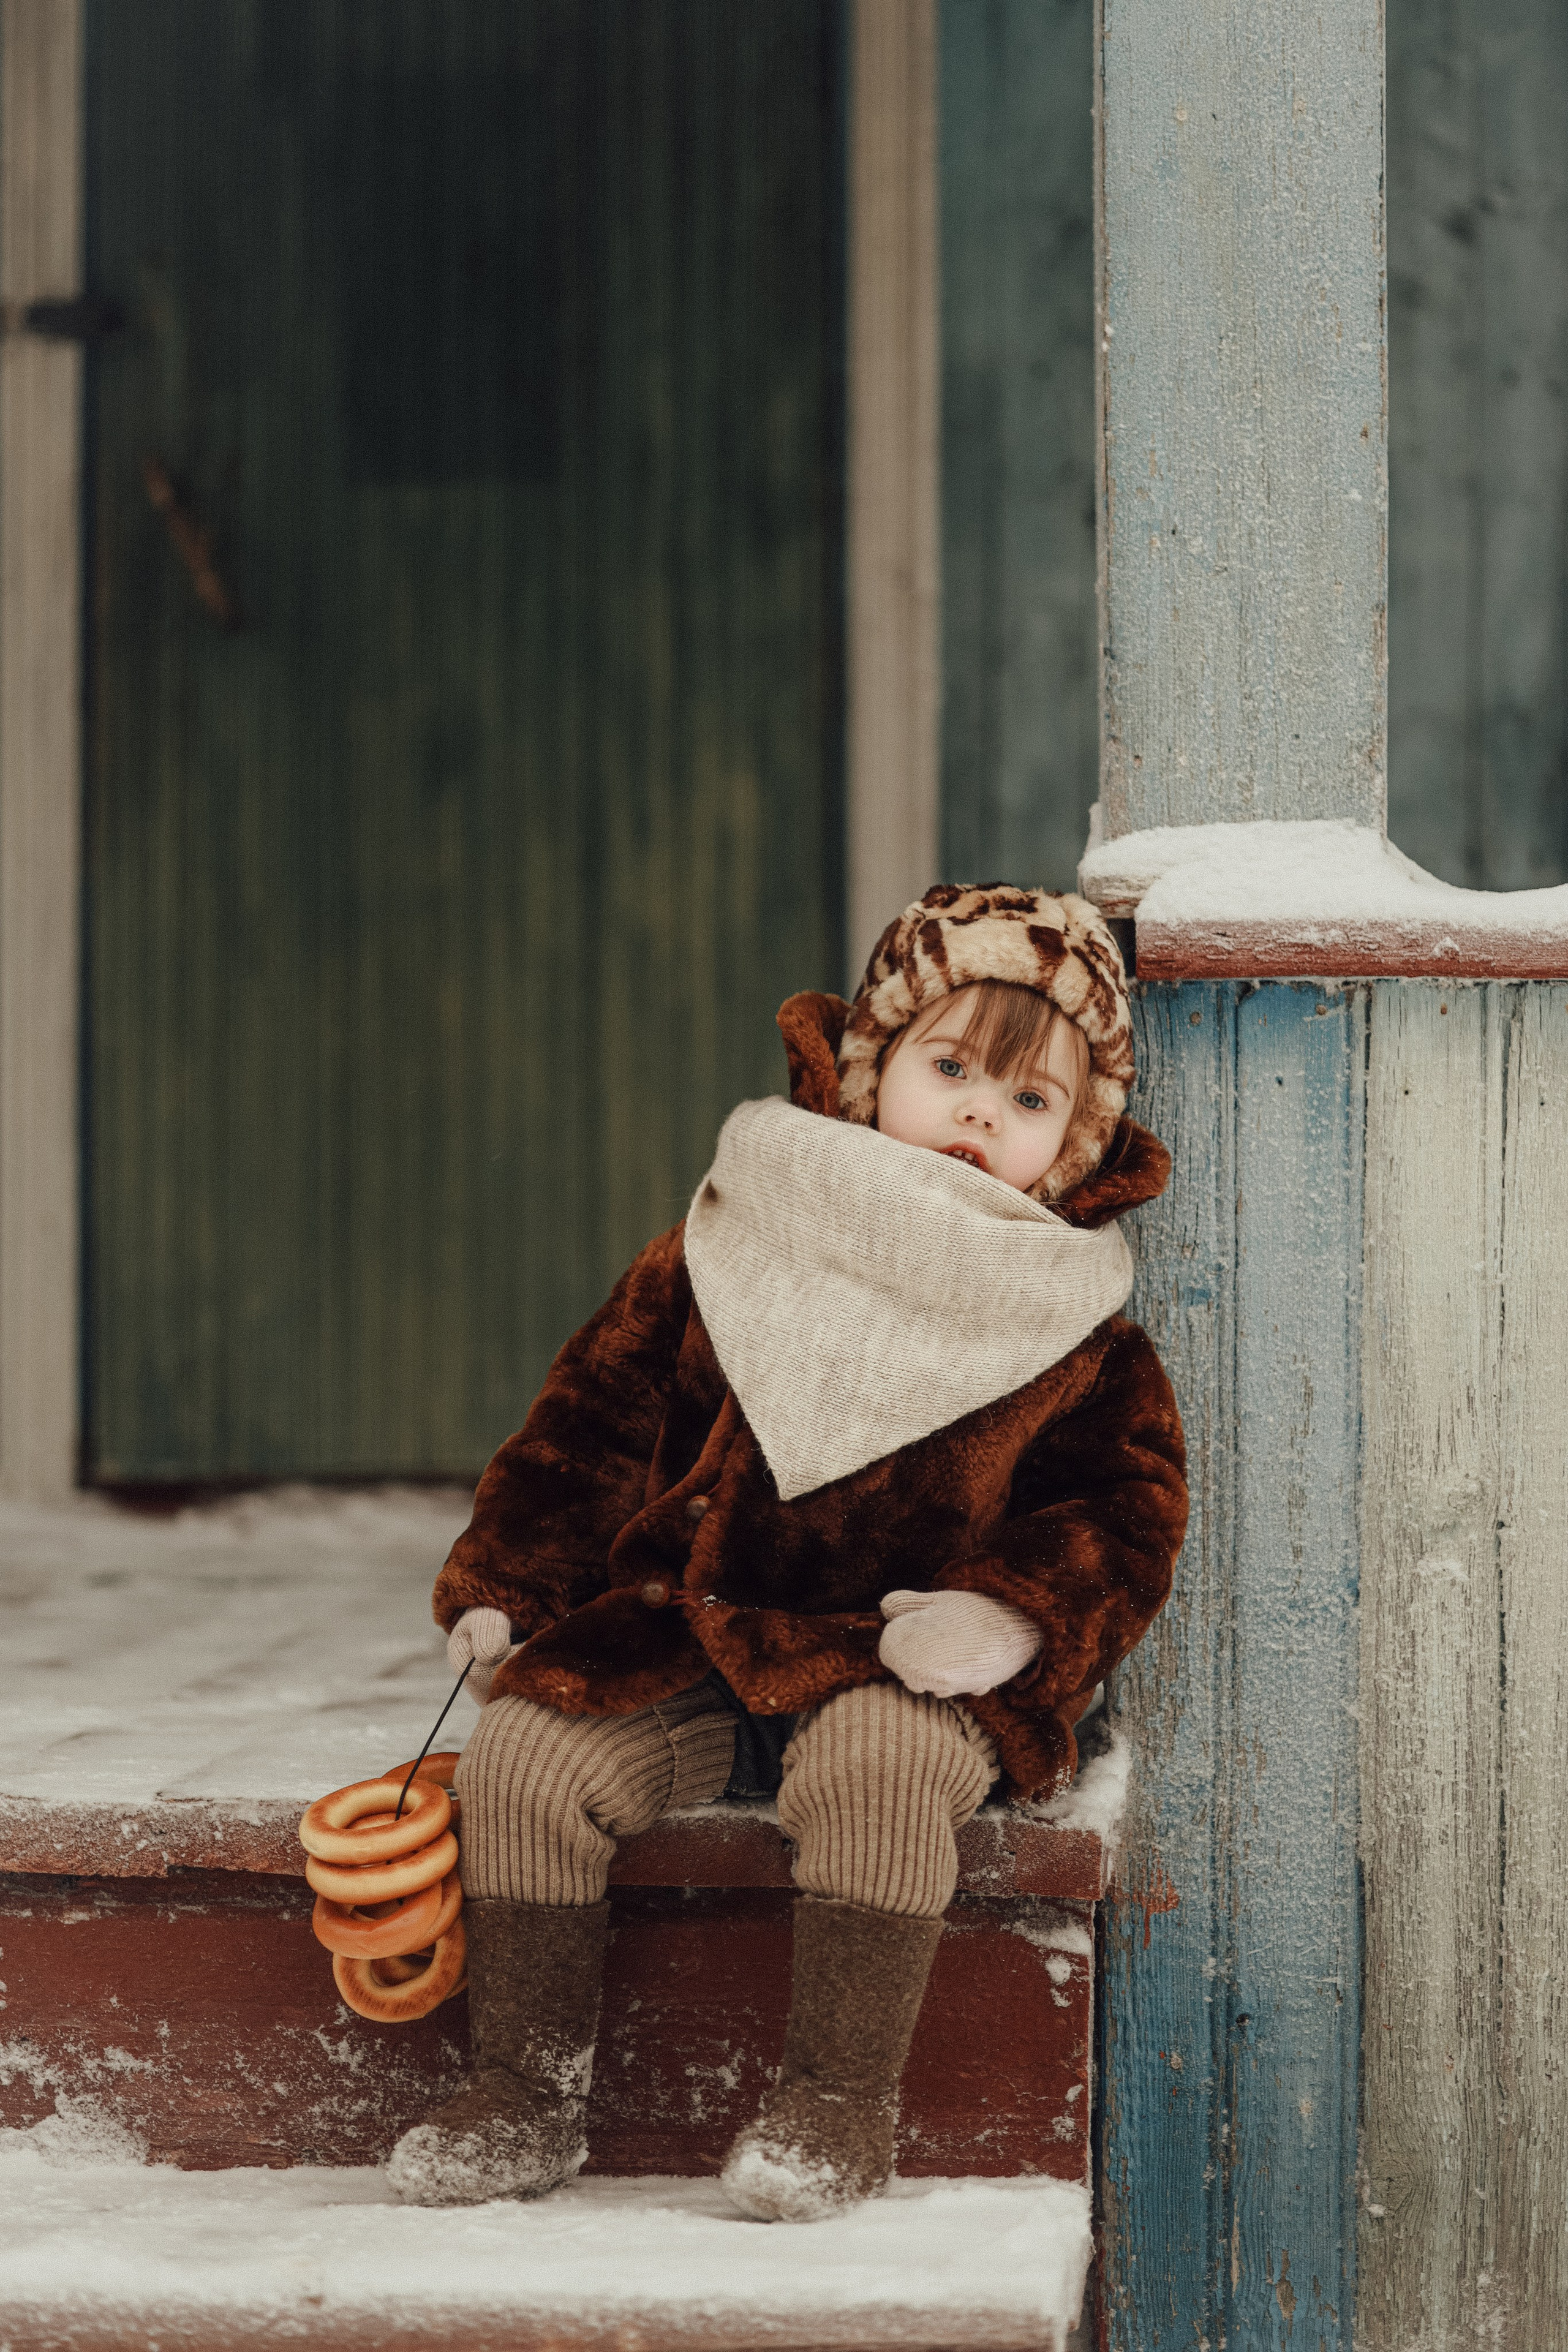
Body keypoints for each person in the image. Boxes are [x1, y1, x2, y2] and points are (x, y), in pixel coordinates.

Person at [386, 882, 1188, 2221]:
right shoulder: (726, 1236)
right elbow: (589, 1422)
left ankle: (833, 2101)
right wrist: (507, 1589)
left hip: (896, 1662)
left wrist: (1002, 1617)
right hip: (693, 1629)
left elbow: (1119, 1511)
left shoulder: (1073, 1326)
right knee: (526, 1756)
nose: (981, 1114)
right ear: (870, 1067)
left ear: (1071, 1146)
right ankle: (524, 2093)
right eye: (950, 1071)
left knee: (880, 1775)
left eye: (1028, 1102)